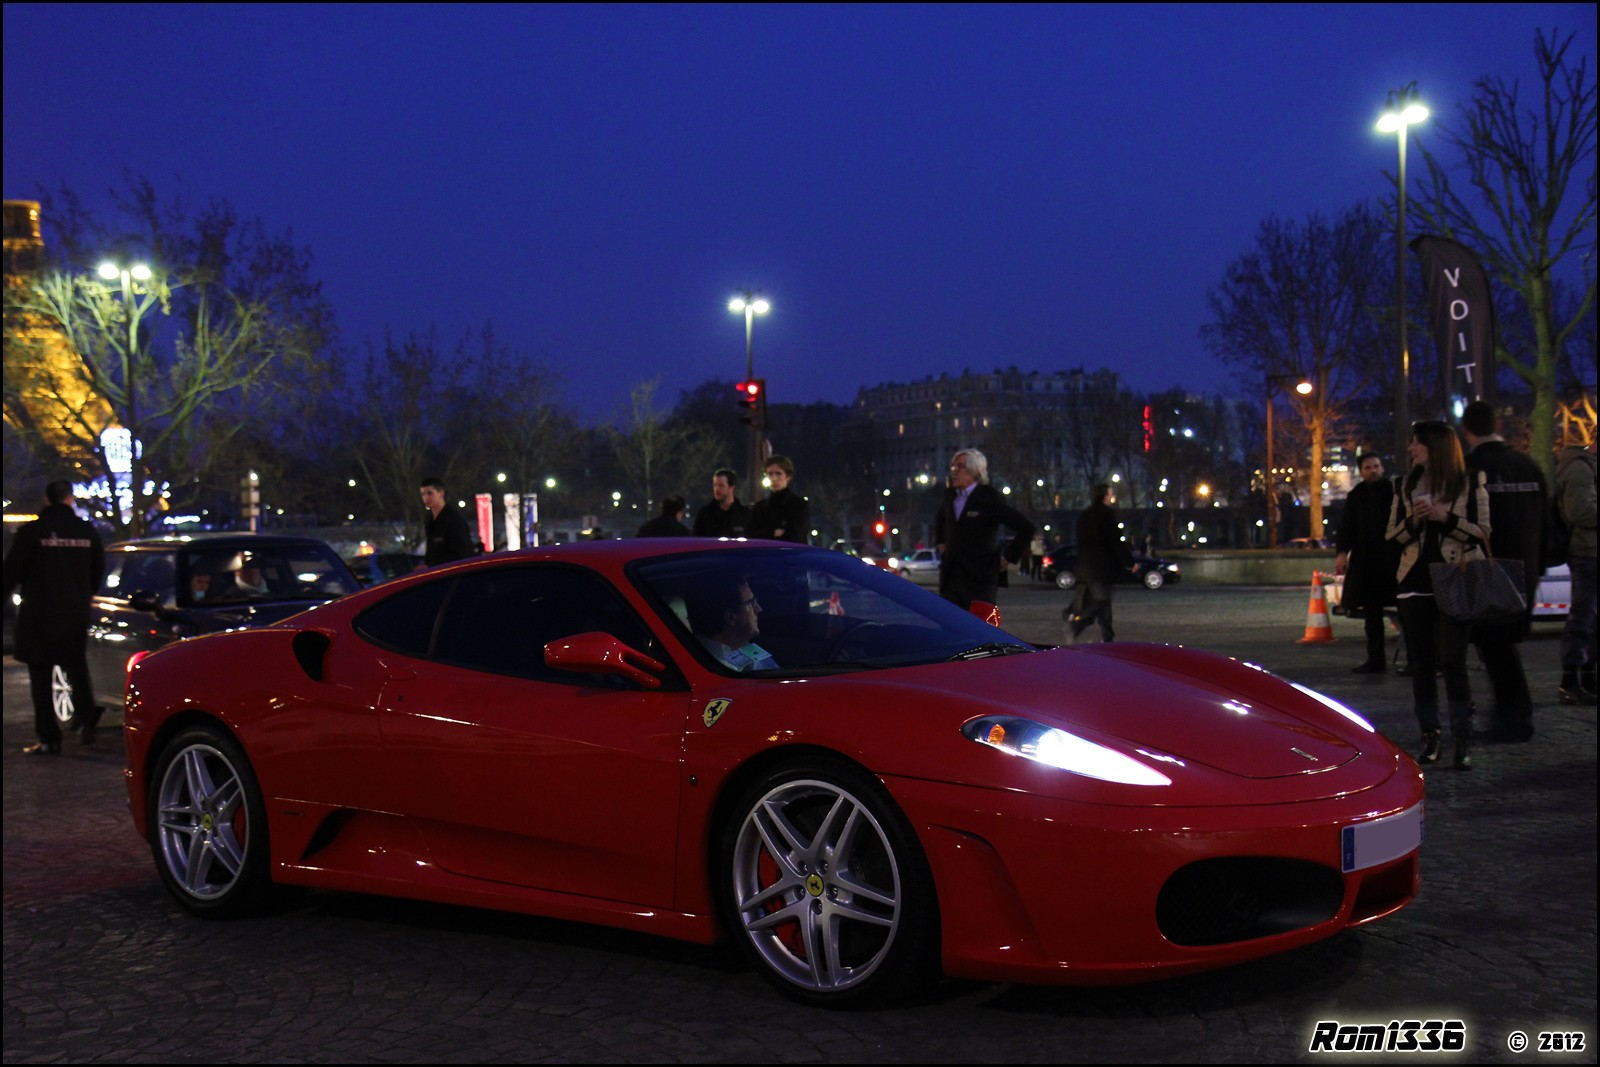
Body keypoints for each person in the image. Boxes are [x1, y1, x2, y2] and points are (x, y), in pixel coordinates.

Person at [1386, 420, 1491, 769]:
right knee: (1422, 666)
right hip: (1413, 582)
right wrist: (1414, 521)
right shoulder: (1404, 485)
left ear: (1436, 448)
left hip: (1454, 579)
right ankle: (1429, 735)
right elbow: (1392, 537)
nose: (1411, 449)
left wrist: (1445, 518)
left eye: (1417, 444)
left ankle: (1463, 737)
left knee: (1453, 662)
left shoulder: (1469, 481)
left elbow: (1483, 532)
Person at [1460, 401, 1546, 740]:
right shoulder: (1528, 465)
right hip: (1527, 566)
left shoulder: (1470, 469)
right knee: (1503, 645)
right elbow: (1544, 517)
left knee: (1495, 646)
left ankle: (1514, 718)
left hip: (1489, 568)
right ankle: (1514, 715)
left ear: (1466, 430)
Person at [3, 480, 105, 753]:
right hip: (74, 612)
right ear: (70, 499)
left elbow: (11, 573)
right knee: (76, 666)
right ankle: (86, 720)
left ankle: (49, 737)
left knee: (40, 675)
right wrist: (83, 594)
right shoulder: (87, 532)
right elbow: (98, 570)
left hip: (39, 613)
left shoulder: (31, 532)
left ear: (47, 499)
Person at [935, 448, 1035, 611]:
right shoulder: (950, 496)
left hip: (980, 579)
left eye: (959, 467)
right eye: (953, 467)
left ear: (975, 471)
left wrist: (1009, 556)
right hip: (951, 579)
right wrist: (941, 543)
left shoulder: (988, 497)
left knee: (981, 630)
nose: (954, 471)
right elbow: (940, 518)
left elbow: (1025, 528)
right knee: (952, 631)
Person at [1335, 452, 1400, 673]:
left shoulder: (1393, 492)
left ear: (1382, 468)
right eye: (1368, 467)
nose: (1373, 471)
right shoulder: (1357, 495)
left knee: (1402, 613)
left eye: (1375, 466)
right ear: (1361, 472)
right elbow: (1347, 527)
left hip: (1390, 559)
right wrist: (1342, 552)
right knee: (1372, 615)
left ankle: (1408, 660)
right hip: (1370, 561)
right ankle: (1376, 659)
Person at [1066, 482, 1137, 643]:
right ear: (1105, 496)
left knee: (1101, 602)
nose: (1113, 496)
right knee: (1102, 601)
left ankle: (1107, 636)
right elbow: (1115, 542)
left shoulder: (1084, 516)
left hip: (1084, 567)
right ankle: (1079, 626)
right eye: (1111, 493)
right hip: (1100, 568)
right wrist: (1130, 562)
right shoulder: (1106, 515)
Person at [1555, 437, 1597, 704]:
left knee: (1590, 618)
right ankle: (1570, 680)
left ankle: (1588, 677)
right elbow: (1580, 511)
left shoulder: (1586, 467)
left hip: (1590, 551)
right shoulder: (1580, 468)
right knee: (1583, 615)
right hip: (1587, 553)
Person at [686, 572, 778, 672]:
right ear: (731, 617)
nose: (759, 609)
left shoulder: (749, 650)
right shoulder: (705, 667)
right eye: (751, 603)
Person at [749, 455, 810, 543]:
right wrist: (774, 532)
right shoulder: (759, 507)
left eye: (778, 473)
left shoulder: (799, 505)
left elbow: (796, 536)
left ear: (788, 476)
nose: (774, 478)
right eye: (770, 474)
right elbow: (751, 535)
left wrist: (766, 533)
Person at [420, 477, 475, 566]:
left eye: (430, 493)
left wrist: (432, 566)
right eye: (423, 494)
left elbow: (460, 553)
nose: (426, 497)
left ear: (441, 493)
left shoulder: (453, 520)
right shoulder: (430, 521)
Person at [693, 468, 752, 538]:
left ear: (732, 488)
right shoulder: (705, 514)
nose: (716, 489)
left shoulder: (745, 515)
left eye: (721, 485)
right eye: (714, 485)